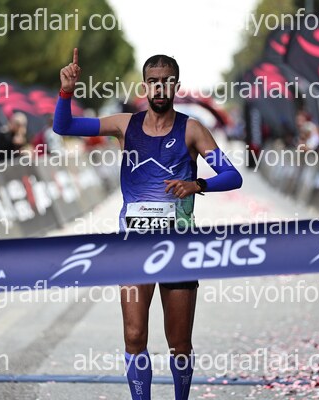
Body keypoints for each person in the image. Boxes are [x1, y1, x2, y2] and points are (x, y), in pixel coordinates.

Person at [53, 49, 242, 400]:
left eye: (166, 82)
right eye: (153, 82)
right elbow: (64, 127)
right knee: (134, 336)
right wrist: (66, 91)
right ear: (144, 86)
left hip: (178, 246)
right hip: (133, 245)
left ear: (176, 86)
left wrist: (197, 184)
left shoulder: (193, 129)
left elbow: (232, 176)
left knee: (180, 344)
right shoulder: (124, 125)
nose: (159, 88)